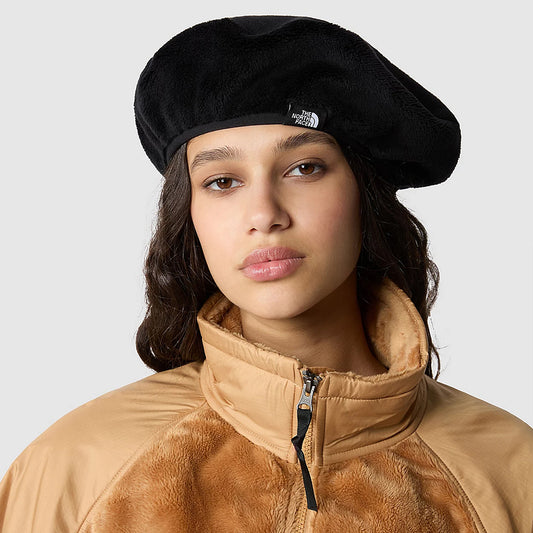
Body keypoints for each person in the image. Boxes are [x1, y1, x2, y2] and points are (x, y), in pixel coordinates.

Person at [0, 14, 532, 533]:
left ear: (364, 196)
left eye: (304, 168)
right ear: (189, 216)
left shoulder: (509, 472)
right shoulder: (76, 468)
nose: (264, 214)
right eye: (222, 181)